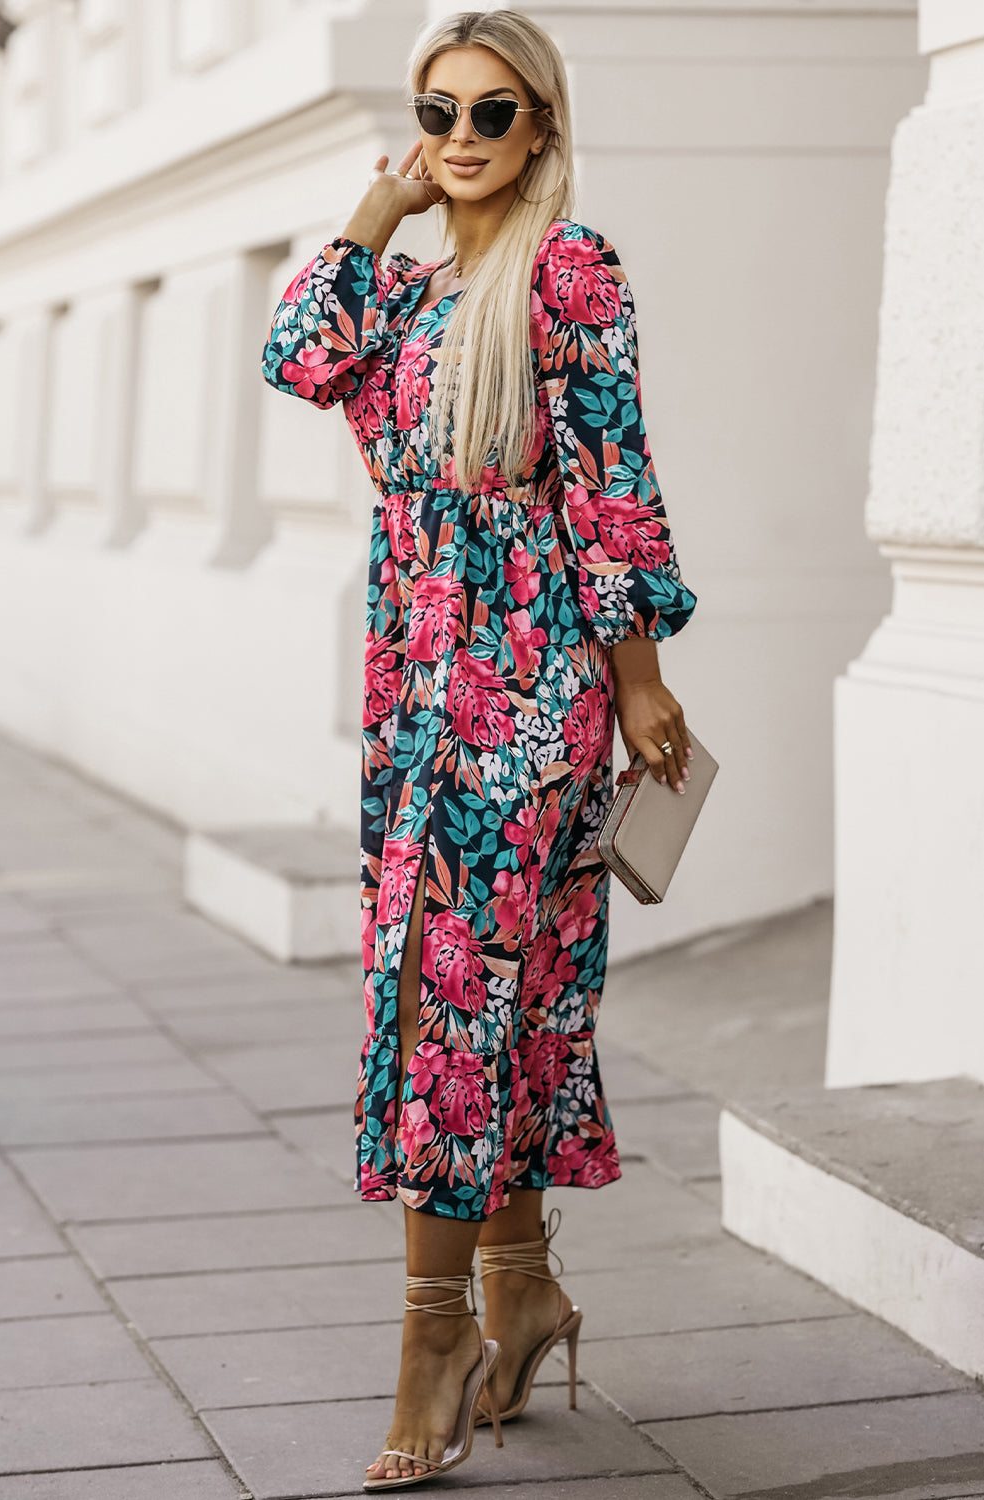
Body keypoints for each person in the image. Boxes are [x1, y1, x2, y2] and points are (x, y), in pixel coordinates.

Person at [262, 9, 697, 1490]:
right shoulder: (398, 284)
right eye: (436, 110)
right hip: (418, 703)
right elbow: (291, 357)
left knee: (444, 1012)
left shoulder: (568, 271)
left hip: (531, 706)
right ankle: (522, 1294)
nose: (460, 135)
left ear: (542, 128)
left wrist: (639, 682)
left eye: (492, 113)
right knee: (484, 1010)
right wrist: (372, 209)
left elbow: (611, 484)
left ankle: (434, 1334)